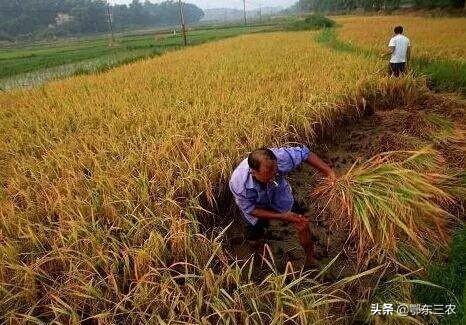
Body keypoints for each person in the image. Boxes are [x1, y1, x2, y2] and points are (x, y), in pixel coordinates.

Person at [229, 146, 335, 266]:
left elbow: (305, 153)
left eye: (275, 172)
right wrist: (284, 216)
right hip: (256, 206)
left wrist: (329, 173)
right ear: (253, 172)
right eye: (268, 176)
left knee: (302, 222)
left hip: (279, 194)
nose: (273, 178)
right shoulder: (238, 184)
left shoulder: (280, 157)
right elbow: (251, 210)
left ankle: (310, 258)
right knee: (254, 238)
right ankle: (261, 258)